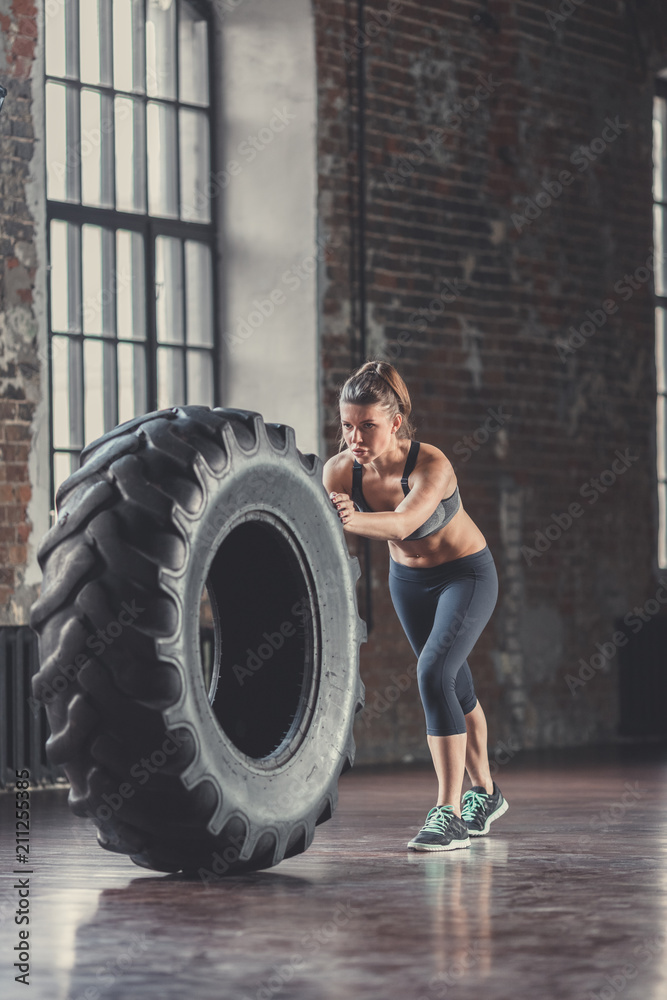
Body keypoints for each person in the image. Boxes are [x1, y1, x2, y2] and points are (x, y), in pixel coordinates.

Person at [322, 360, 508, 852]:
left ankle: (446, 811)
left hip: (465, 575)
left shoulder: (431, 465)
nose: (354, 438)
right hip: (408, 581)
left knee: (432, 675)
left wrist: (351, 519)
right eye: (346, 426)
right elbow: (327, 536)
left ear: (395, 423)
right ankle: (485, 793)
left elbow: (404, 524)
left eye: (367, 426)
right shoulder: (339, 471)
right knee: (454, 682)